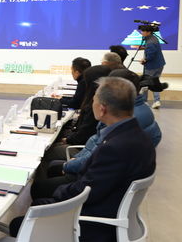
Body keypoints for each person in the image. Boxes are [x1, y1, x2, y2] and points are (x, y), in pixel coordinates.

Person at [20, 77, 156, 242]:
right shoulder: (139, 136)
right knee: (41, 202)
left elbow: (85, 191)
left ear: (102, 108)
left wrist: (56, 195)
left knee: (21, 222)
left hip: (95, 226)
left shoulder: (115, 147)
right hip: (113, 211)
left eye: (94, 100)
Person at [33, 69, 161, 199]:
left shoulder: (112, 146)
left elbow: (87, 187)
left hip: (94, 207)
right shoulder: (134, 129)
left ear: (102, 109)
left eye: (94, 100)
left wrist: (63, 180)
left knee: (38, 190)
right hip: (112, 192)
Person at [140, 26, 165, 109]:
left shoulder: (150, 42)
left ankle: (144, 102)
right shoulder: (154, 38)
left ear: (148, 32)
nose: (141, 33)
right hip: (159, 64)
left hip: (152, 66)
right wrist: (144, 47)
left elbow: (151, 55)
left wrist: (144, 60)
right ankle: (157, 101)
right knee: (155, 82)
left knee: (145, 83)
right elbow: (154, 49)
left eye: (143, 31)